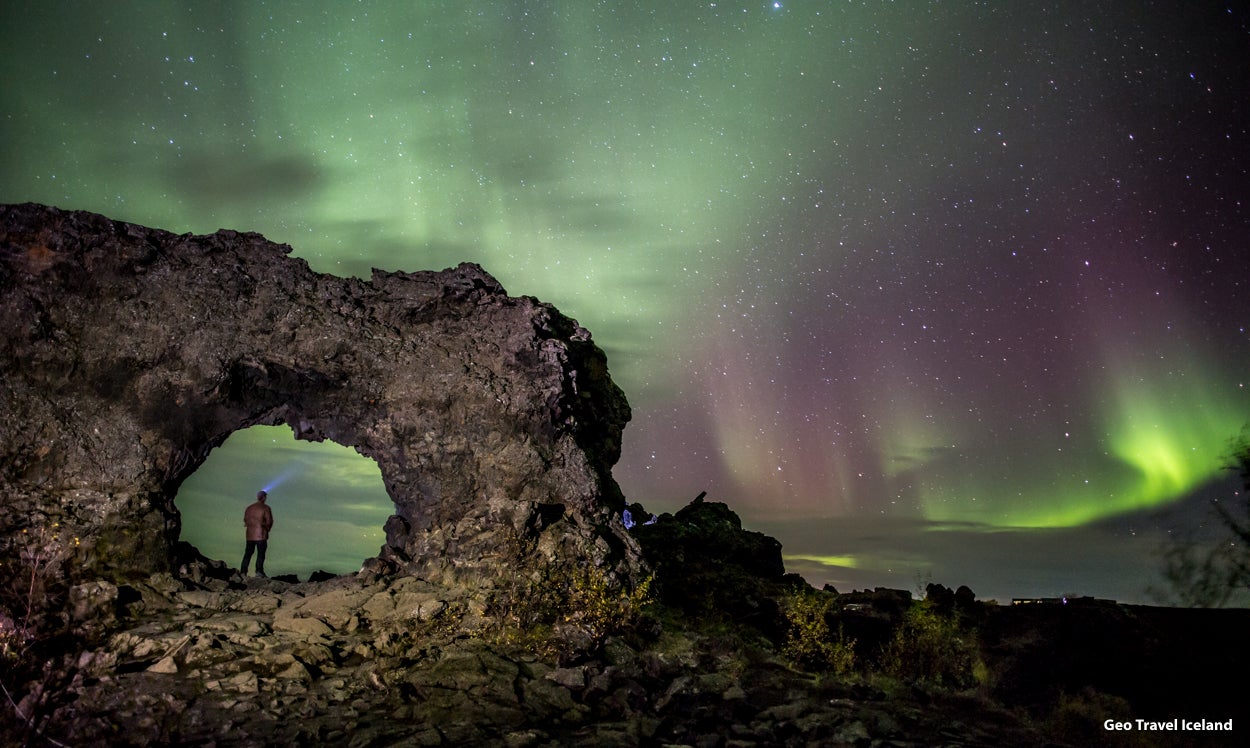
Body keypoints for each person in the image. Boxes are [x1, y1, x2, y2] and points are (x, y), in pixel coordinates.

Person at [240, 490, 274, 577]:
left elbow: (245, 520)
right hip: (261, 535)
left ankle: (243, 571)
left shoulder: (249, 508)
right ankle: (259, 571)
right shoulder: (266, 508)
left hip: (250, 535)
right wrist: (267, 529)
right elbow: (269, 521)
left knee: (248, 553)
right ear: (264, 497)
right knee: (261, 554)